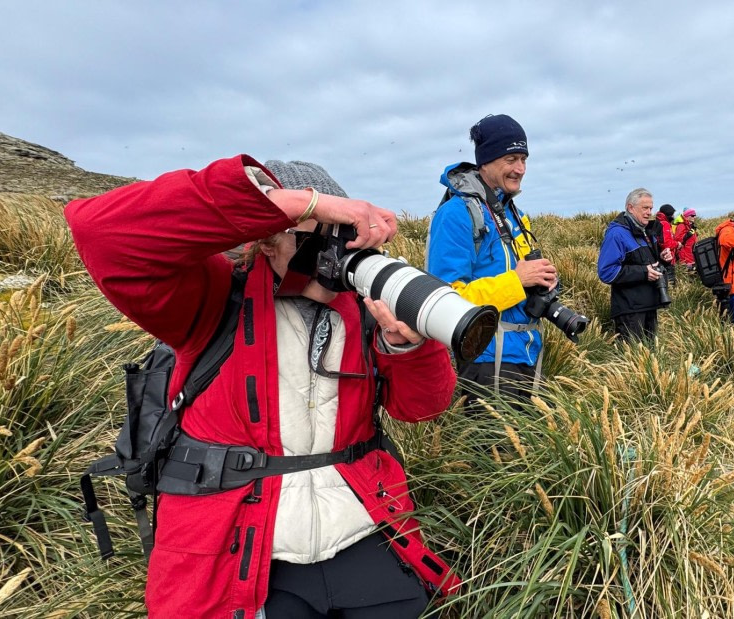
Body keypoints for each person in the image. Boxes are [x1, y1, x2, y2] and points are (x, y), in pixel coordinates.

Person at [66, 157, 459, 617]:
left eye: (343, 238)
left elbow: (422, 408)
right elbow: (101, 232)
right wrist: (293, 203)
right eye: (315, 237)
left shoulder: (363, 309)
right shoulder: (210, 299)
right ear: (268, 240)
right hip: (238, 543)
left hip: (360, 528)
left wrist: (407, 348)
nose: (333, 257)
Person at [426, 114, 557, 408]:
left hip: (527, 353)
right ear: (486, 160)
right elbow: (444, 300)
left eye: (524, 159)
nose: (520, 169)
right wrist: (518, 281)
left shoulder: (512, 213)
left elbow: (521, 276)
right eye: (511, 158)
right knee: (496, 453)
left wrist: (542, 279)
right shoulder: (456, 215)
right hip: (486, 360)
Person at [597, 188, 674, 342]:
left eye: (651, 208)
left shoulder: (645, 231)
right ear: (630, 208)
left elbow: (648, 262)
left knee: (649, 358)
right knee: (630, 359)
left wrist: (663, 258)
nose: (649, 212)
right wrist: (644, 272)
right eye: (645, 208)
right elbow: (606, 272)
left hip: (649, 305)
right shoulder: (617, 234)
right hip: (630, 311)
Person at [656, 203, 678, 286]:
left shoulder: (658, 222)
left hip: (661, 259)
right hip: (667, 260)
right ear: (669, 214)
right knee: (670, 284)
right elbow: (666, 243)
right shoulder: (664, 224)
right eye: (672, 214)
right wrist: (677, 244)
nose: (673, 216)